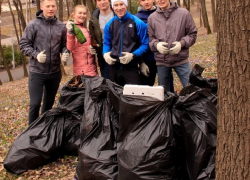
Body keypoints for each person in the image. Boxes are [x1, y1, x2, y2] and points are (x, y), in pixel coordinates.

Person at [20, 0, 69, 125]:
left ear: (56, 7)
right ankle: (31, 133)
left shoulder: (61, 26)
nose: (51, 8)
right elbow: (24, 45)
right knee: (35, 104)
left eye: (53, 6)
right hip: (37, 72)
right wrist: (36, 55)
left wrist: (65, 52)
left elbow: (64, 45)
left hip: (54, 72)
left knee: (48, 104)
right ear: (42, 7)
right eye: (48, 6)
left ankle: (43, 129)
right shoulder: (33, 25)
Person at [148, 0, 197, 92]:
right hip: (162, 61)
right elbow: (151, 39)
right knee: (163, 94)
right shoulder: (152, 18)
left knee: (191, 89)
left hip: (180, 59)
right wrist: (156, 44)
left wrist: (181, 44)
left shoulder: (184, 13)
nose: (161, 1)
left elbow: (192, 34)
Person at [103, 0, 149, 86]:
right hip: (114, 66)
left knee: (133, 96)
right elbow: (107, 43)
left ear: (126, 5)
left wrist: (133, 55)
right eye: (116, 5)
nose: (119, 8)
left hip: (131, 67)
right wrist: (105, 54)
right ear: (113, 7)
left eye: (121, 4)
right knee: (115, 96)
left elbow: (145, 44)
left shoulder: (138, 23)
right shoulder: (109, 24)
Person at [135, 0, 174, 90]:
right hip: (147, 60)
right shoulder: (136, 18)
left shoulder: (162, 13)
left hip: (164, 58)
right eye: (143, 0)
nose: (146, 2)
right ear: (139, 2)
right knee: (145, 90)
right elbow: (136, 41)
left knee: (168, 89)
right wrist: (141, 62)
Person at [66, 5, 98, 76]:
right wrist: (70, 32)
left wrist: (94, 49)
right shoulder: (71, 28)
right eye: (80, 13)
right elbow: (70, 47)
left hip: (92, 68)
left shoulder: (84, 29)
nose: (82, 15)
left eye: (84, 13)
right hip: (82, 71)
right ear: (74, 14)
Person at [89, 0, 114, 79]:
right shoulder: (94, 18)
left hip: (121, 53)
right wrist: (93, 47)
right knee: (108, 85)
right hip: (104, 57)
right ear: (96, 3)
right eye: (99, 0)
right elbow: (93, 37)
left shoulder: (118, 11)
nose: (102, 2)